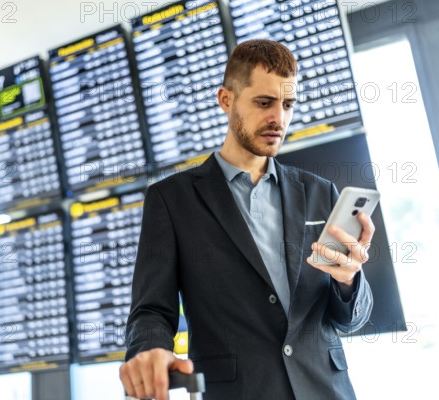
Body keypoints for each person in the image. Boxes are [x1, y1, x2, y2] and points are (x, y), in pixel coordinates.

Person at [119, 39, 374, 400]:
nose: (279, 118)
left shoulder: (320, 192)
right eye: (264, 102)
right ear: (226, 100)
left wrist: (349, 280)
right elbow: (150, 310)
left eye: (287, 104)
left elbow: (349, 319)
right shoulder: (172, 199)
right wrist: (149, 353)